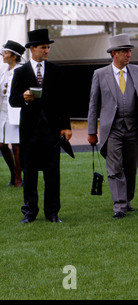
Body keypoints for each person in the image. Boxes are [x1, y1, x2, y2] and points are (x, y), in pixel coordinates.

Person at [9, 29, 72, 223]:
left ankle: (52, 213)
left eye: (48, 47)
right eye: (43, 47)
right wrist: (24, 98)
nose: (47, 51)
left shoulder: (56, 71)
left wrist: (66, 126)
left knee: (53, 174)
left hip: (52, 132)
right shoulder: (20, 72)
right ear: (32, 48)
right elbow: (12, 100)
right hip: (30, 132)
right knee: (30, 174)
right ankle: (30, 212)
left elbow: (63, 102)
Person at [87, 34, 138, 219]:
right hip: (111, 129)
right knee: (114, 168)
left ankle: (127, 199)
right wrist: (91, 131)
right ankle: (119, 206)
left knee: (131, 166)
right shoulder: (100, 74)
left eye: (129, 51)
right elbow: (93, 104)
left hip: (134, 128)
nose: (129, 54)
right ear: (114, 53)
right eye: (125, 51)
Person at [0, 40, 25, 188]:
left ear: (14, 56)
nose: (3, 55)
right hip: (2, 113)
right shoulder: (4, 71)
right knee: (2, 145)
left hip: (15, 112)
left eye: (6, 53)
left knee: (16, 146)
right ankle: (14, 172)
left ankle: (18, 177)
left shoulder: (22, 70)